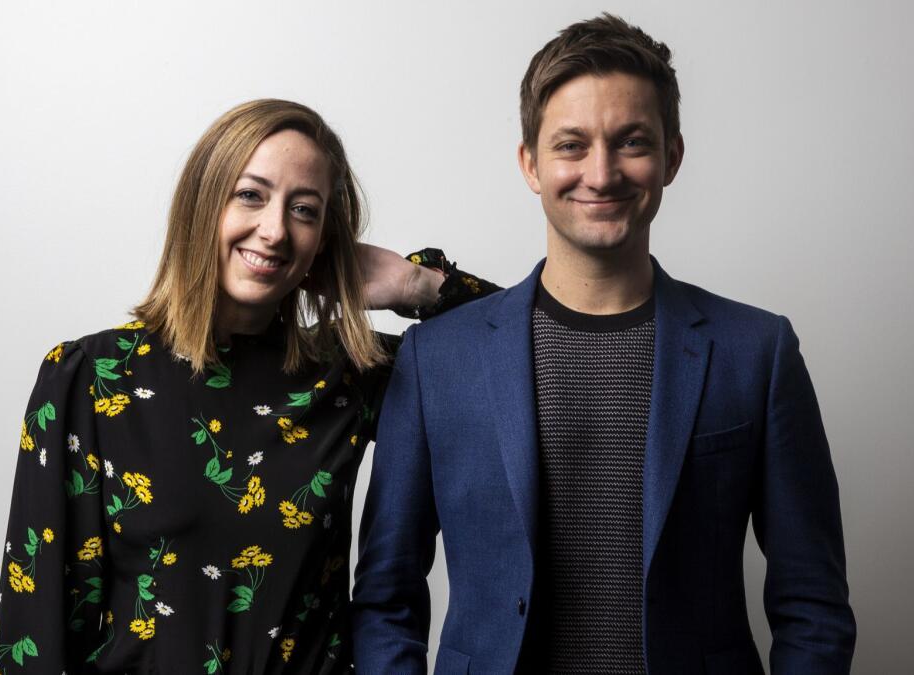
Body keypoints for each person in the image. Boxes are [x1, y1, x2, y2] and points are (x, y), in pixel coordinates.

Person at [352, 14, 856, 674]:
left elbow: (813, 602)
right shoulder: (437, 359)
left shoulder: (757, 353)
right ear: (530, 163)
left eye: (631, 141)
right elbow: (384, 598)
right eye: (571, 145)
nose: (601, 171)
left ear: (672, 157)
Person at [0, 98, 498, 675]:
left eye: (304, 210)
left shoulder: (353, 374)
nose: (276, 230)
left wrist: (417, 284)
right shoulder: (90, 376)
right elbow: (34, 627)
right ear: (203, 203)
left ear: (324, 240)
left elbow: (531, 356)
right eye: (250, 195)